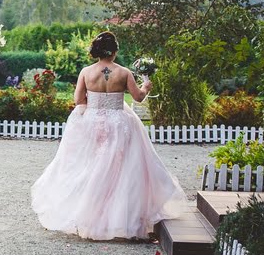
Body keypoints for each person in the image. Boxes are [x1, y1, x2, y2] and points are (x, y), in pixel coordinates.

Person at [30, 31, 186, 240]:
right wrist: (146, 86)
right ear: (114, 51)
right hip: (119, 122)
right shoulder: (124, 73)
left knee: (91, 165)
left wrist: (96, 106)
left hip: (92, 123)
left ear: (97, 51)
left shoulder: (86, 72)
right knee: (121, 170)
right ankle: (118, 218)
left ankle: (89, 214)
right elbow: (138, 97)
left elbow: (78, 100)